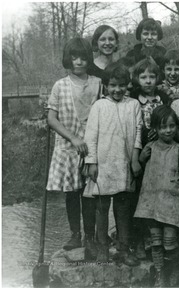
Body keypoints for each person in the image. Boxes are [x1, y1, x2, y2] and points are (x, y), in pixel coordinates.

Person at [46, 37, 101, 259]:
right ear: (68, 59)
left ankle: (90, 235)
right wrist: (73, 138)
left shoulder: (98, 83)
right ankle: (74, 234)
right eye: (74, 57)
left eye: (83, 57)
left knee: (89, 194)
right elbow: (52, 118)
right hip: (68, 149)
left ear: (89, 58)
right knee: (72, 193)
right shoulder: (60, 85)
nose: (78, 61)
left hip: (91, 147)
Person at [83, 62, 142, 264]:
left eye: (122, 85)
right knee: (101, 208)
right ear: (106, 85)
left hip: (124, 164)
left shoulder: (133, 105)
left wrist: (134, 159)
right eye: (113, 85)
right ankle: (102, 250)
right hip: (103, 165)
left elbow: (138, 134)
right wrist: (91, 162)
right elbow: (90, 136)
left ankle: (124, 249)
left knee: (123, 209)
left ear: (127, 85)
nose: (117, 90)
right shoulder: (99, 106)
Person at [134, 105, 179, 287]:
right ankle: (161, 275)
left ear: (177, 127)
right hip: (151, 202)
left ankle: (176, 268)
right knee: (155, 242)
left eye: (171, 126)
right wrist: (142, 158)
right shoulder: (150, 148)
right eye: (162, 127)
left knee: (169, 243)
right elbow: (140, 168)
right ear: (154, 128)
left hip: (171, 202)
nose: (167, 130)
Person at [131, 57, 170, 146]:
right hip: (141, 143)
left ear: (157, 78)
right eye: (143, 77)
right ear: (137, 79)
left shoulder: (163, 99)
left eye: (152, 77)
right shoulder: (134, 99)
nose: (148, 81)